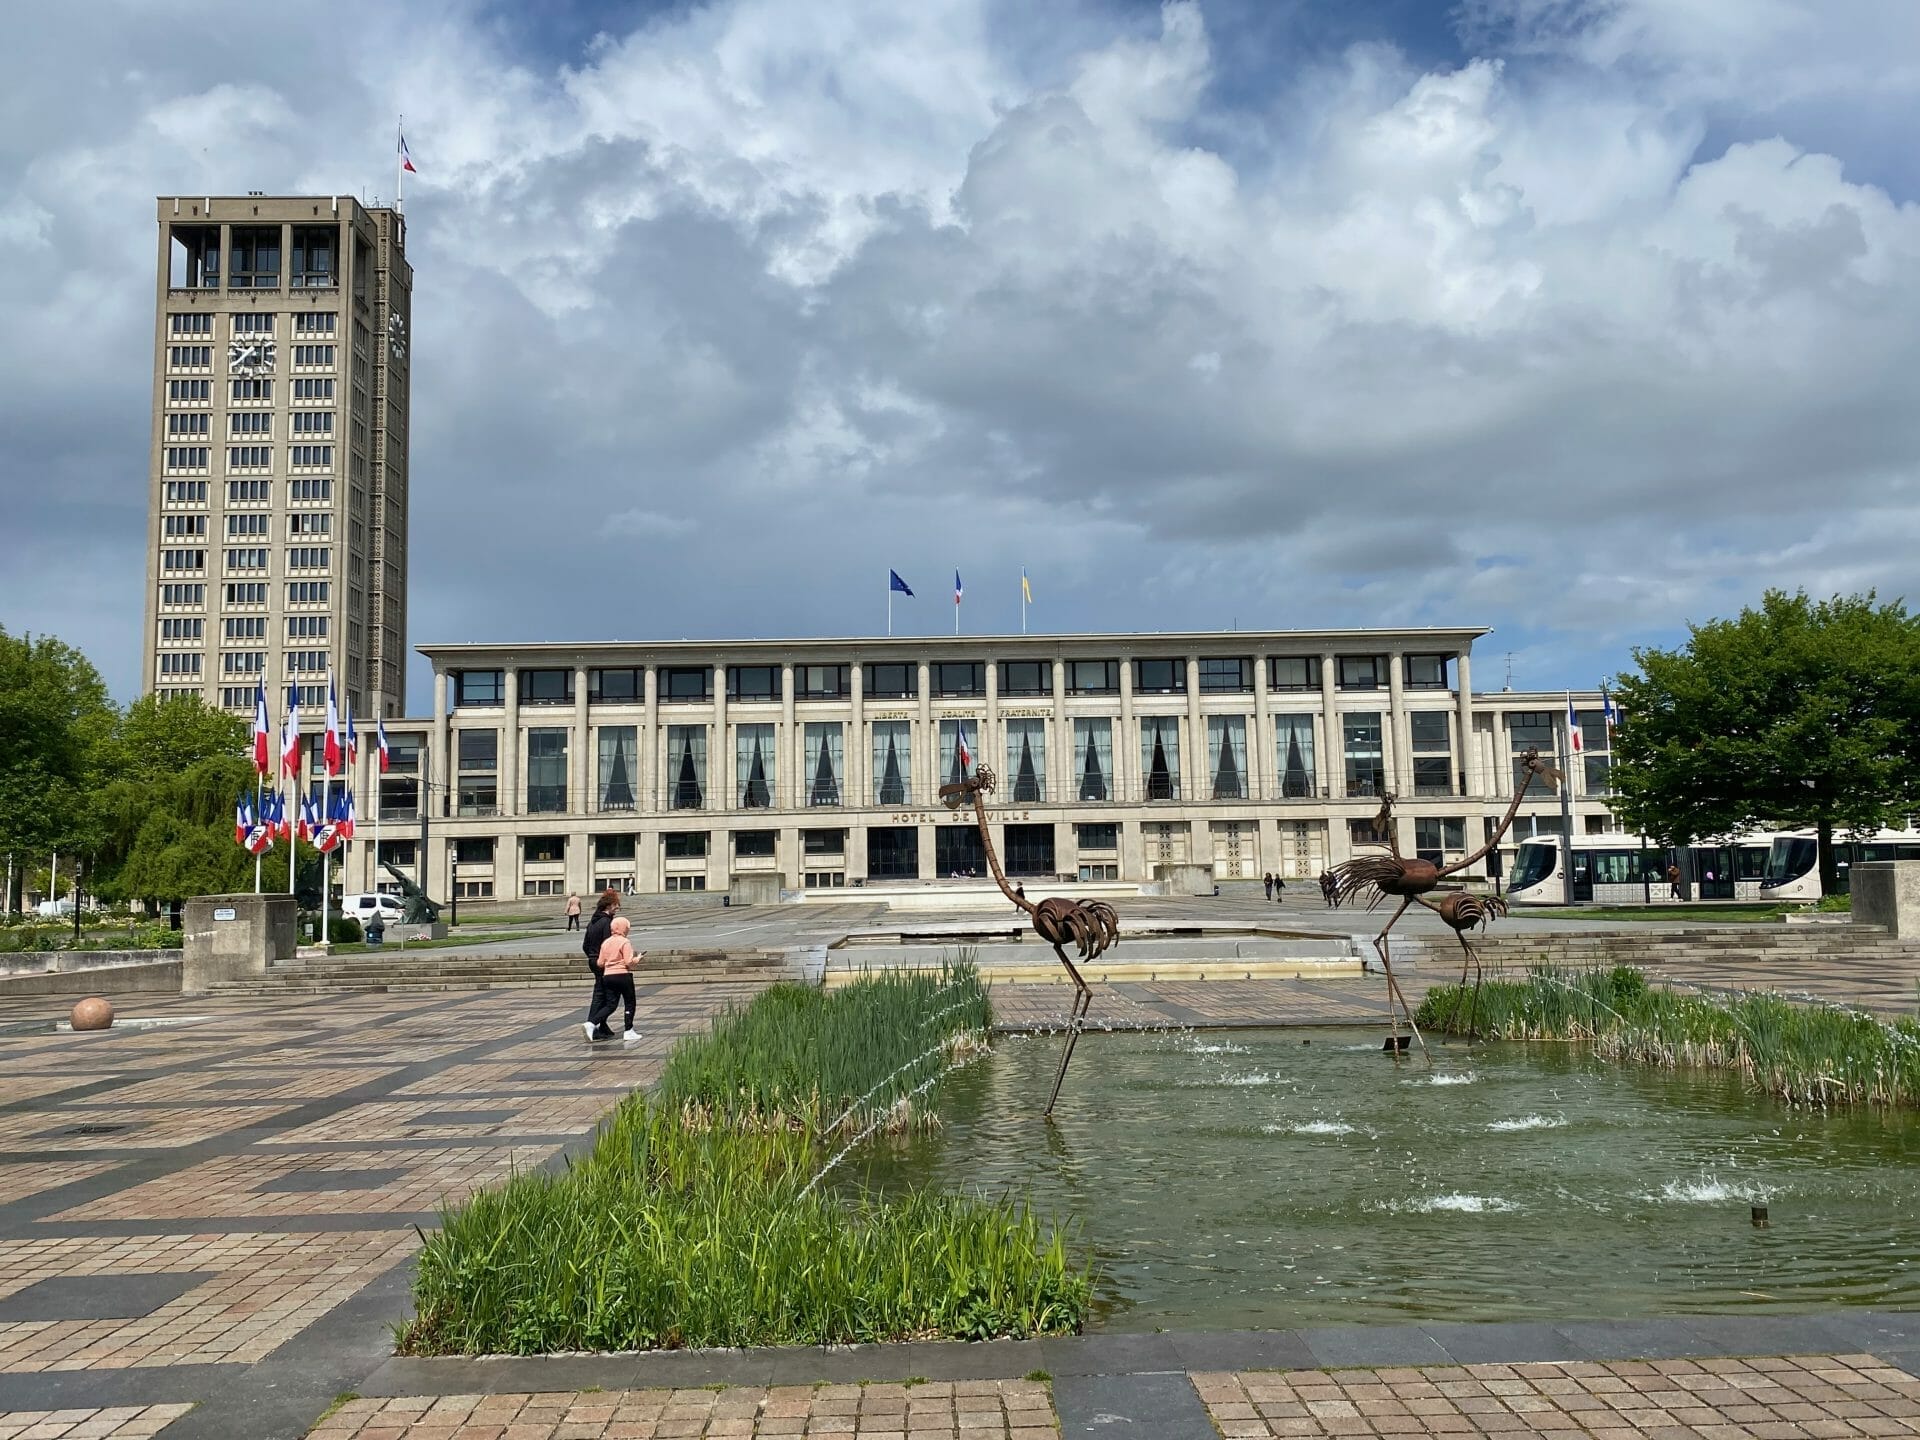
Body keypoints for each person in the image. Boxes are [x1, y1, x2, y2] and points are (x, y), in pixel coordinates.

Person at [584, 916, 642, 1044]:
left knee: (611, 1004)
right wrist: (637, 959)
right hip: (622, 975)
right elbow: (628, 962)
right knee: (629, 1002)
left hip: (608, 976)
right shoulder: (624, 942)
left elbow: (600, 963)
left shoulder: (606, 942)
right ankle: (628, 1030)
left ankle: (591, 1023)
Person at [580, 889, 620, 1040]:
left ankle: (600, 1026)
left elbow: (585, 945)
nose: (617, 909)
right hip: (603, 962)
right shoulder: (606, 923)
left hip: (593, 960)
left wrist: (592, 957)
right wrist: (605, 961)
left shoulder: (592, 922)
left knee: (599, 994)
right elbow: (608, 945)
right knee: (608, 998)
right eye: (616, 905)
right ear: (608, 906)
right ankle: (592, 1024)